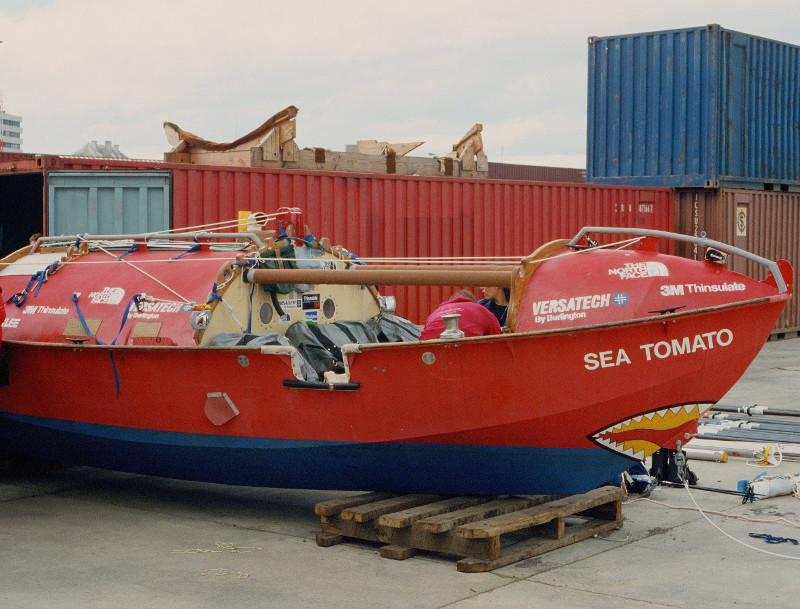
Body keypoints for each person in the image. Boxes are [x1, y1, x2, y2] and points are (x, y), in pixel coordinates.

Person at [420, 290, 502, 340]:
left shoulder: (434, 313)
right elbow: (500, 341)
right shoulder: (480, 309)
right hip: (467, 352)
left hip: (428, 353)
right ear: (473, 302)